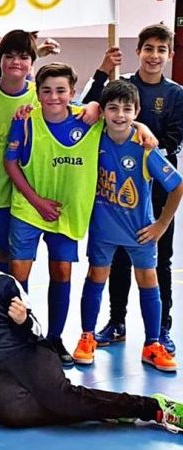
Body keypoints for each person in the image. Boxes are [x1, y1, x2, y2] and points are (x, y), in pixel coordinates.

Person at [0, 219, 183, 433]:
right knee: (14, 415)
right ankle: (102, 409)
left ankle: (152, 408)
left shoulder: (3, 283)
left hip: (27, 354)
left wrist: (23, 320)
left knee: (61, 398)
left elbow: (36, 330)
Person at [80, 24, 183, 354]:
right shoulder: (123, 84)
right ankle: (116, 321)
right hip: (117, 188)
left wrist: (145, 136)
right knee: (117, 262)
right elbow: (90, 108)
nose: (154, 55)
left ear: (170, 55)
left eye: (161, 50)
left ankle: (161, 330)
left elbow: (173, 138)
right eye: (148, 48)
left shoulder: (176, 94)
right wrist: (103, 70)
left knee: (159, 261)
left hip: (155, 184)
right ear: (138, 51)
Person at [4, 63, 104, 366]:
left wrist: (141, 129)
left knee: (62, 272)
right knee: (19, 275)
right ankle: (19, 337)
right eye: (46, 90)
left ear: (72, 92)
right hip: (29, 208)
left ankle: (55, 338)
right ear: (37, 93)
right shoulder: (25, 121)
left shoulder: (89, 119)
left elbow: (124, 121)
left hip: (66, 212)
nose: (53, 96)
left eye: (61, 90)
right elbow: (10, 163)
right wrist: (36, 201)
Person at [0, 30, 39, 274]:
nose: (16, 62)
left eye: (23, 57)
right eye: (9, 56)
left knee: (4, 253)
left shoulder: (38, 97)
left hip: (12, 197)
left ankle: (4, 295)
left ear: (32, 62)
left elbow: (74, 111)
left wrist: (93, 106)